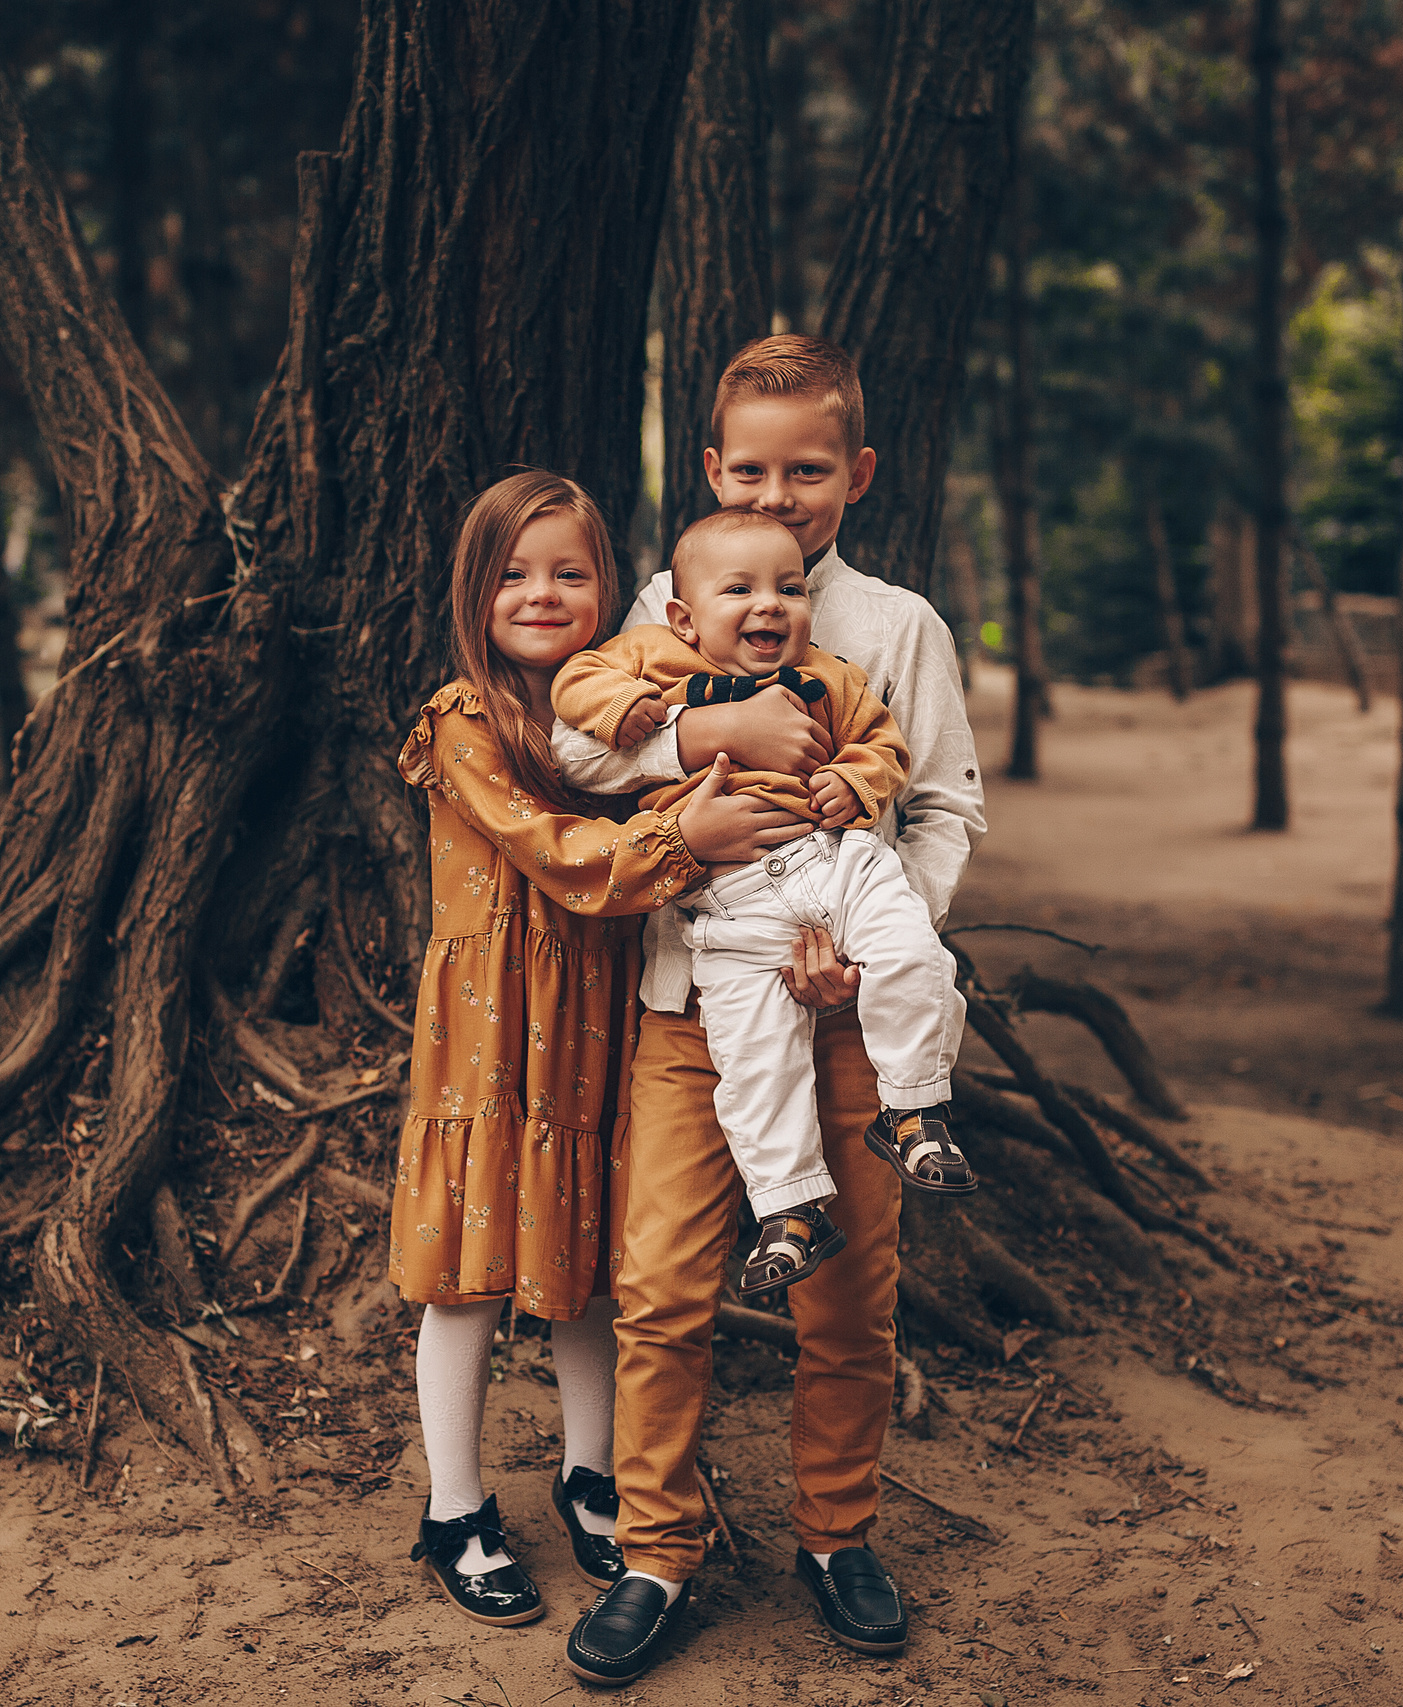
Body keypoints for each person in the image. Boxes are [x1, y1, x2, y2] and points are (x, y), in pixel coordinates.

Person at [552, 335, 985, 1685]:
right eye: (753, 468)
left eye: (809, 470)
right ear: (710, 467)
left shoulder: (898, 625)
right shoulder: (664, 602)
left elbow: (948, 802)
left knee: (850, 1292)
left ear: (855, 473)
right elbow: (574, 743)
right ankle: (658, 1548)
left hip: (849, 1017)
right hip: (692, 1005)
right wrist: (705, 737)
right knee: (665, 1285)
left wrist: (870, 942)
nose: (781, 493)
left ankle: (837, 1531)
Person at [388, 469, 808, 1629]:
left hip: (593, 1018)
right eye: (514, 574)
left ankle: (591, 1476)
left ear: (610, 590)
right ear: (474, 592)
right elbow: (558, 850)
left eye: (570, 573)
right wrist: (689, 831)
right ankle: (456, 1507)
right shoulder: (462, 720)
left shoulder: (612, 712)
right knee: (469, 1269)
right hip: (486, 1033)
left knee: (587, 1262)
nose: (542, 593)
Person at [549, 506, 973, 1302]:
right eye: (739, 588)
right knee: (754, 1061)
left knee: (916, 954)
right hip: (730, 905)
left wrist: (854, 780)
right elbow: (577, 684)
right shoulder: (655, 648)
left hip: (835, 863)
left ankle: (916, 1109)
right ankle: (791, 1209)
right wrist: (647, 716)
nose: (769, 604)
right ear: (685, 613)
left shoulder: (832, 668)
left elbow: (888, 747)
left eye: (787, 588)